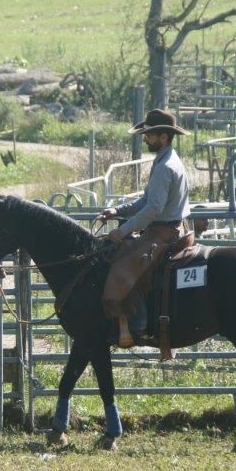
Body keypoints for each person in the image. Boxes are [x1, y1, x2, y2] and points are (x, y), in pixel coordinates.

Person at [98, 108, 190, 348]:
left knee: (123, 266)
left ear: (163, 137)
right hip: (166, 228)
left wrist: (123, 230)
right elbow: (146, 202)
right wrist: (118, 211)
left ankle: (137, 324)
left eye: (149, 134)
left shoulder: (163, 167)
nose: (145, 138)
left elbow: (153, 209)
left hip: (163, 231)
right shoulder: (167, 161)